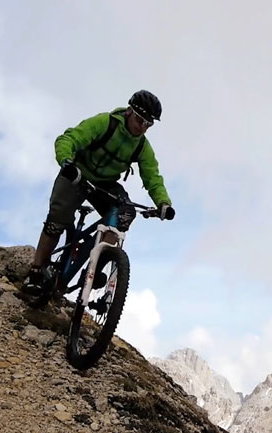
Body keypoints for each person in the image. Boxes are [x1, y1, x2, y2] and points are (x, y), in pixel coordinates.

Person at [23, 90, 175, 297]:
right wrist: (66, 162)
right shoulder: (105, 122)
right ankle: (35, 271)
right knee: (56, 221)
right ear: (129, 111)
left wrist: (163, 203)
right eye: (140, 120)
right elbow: (69, 138)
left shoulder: (142, 146)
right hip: (77, 173)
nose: (143, 127)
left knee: (125, 214)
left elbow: (152, 176)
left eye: (149, 124)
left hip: (105, 184)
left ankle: (96, 263)